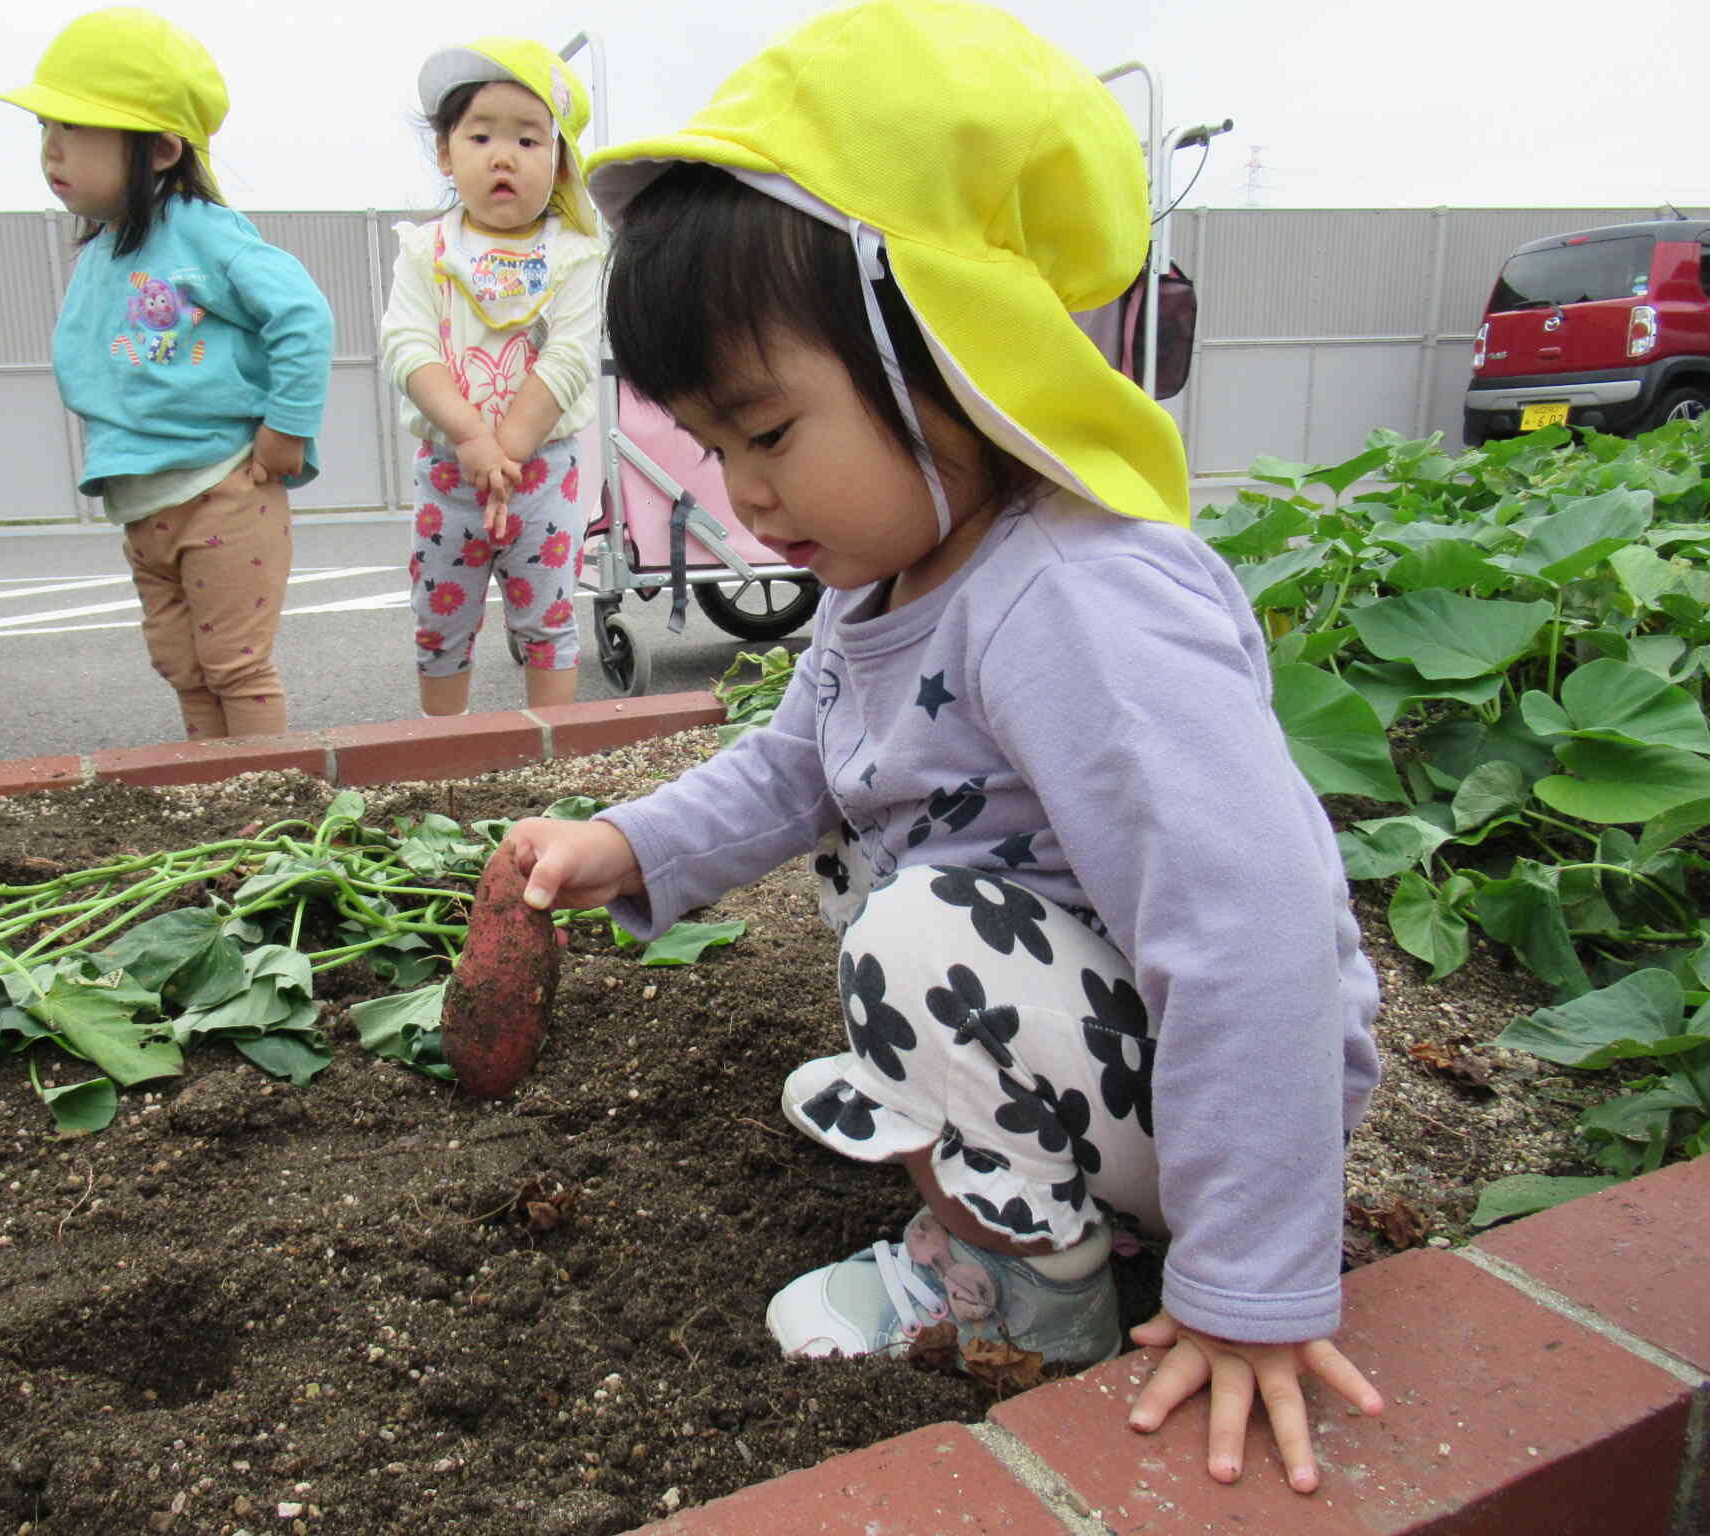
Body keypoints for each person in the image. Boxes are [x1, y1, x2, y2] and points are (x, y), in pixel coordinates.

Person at [504, 0, 1387, 1496]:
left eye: (768, 432)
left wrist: (1252, 1284)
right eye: (712, 447)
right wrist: (630, 843)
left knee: (918, 939)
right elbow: (792, 767)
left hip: (1221, 1085)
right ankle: (1047, 1213)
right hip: (1110, 1055)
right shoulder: (889, 580)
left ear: (963, 353)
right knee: (900, 920)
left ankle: (1037, 1301)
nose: (741, 494)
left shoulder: (1077, 602)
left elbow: (1254, 932)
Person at [0, 8, 332, 741]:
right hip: (142, 500)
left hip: (222, 489)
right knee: (182, 666)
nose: (52, 148)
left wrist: (287, 427)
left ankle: (266, 793)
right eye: (45, 127)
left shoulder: (202, 232)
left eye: (75, 127)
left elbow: (303, 315)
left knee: (236, 666)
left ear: (160, 150)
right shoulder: (105, 247)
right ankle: (216, 790)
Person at [380, 37, 602, 717]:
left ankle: (552, 756)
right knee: (440, 625)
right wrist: (471, 438)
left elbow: (569, 357)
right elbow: (408, 347)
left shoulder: (575, 254)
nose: (504, 156)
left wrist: (505, 449)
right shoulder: (426, 251)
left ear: (559, 162)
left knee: (548, 623)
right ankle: (447, 753)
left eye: (530, 140)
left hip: (544, 472)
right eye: (481, 137)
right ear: (446, 154)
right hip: (449, 472)